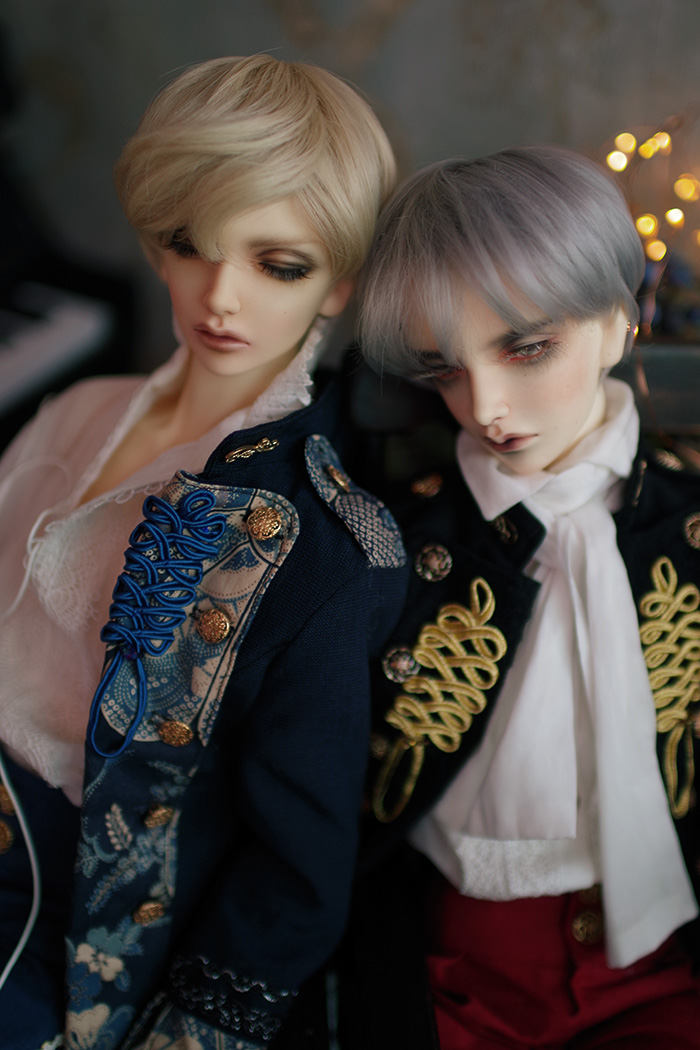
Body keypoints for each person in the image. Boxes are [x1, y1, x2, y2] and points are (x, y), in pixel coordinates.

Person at [0, 54, 407, 1050]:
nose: (220, 296)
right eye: (190, 245)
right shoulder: (79, 405)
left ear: (342, 281)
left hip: (62, 912)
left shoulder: (322, 545)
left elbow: (298, 877)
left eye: (279, 264)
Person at [340, 145, 700, 1048]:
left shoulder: (687, 530)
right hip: (453, 968)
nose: (487, 407)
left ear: (618, 323)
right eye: (444, 370)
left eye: (528, 347)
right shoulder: (399, 548)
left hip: (664, 959)